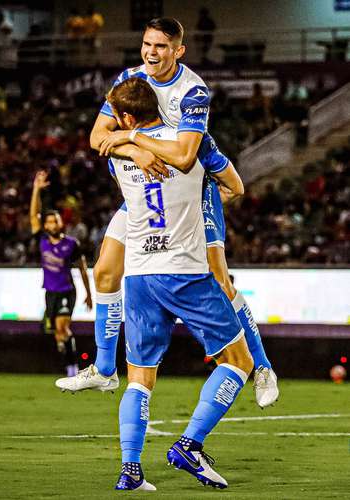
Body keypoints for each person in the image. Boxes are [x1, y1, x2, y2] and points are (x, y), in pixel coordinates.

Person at [59, 17, 278, 408]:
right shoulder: (129, 78)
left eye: (160, 47)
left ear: (178, 50)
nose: (151, 53)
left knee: (220, 281)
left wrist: (129, 138)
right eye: (146, 44)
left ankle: (261, 366)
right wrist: (137, 150)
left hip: (195, 187)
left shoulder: (193, 91)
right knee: (106, 270)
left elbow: (185, 154)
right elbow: (97, 137)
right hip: (147, 183)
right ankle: (105, 370)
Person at [99, 76, 253, 491]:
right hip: (184, 270)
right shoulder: (194, 142)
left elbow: (109, 139)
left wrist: (128, 141)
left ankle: (130, 471)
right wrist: (196, 196)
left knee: (139, 376)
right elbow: (235, 187)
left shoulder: (117, 152)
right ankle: (189, 444)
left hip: (140, 275)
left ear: (127, 116)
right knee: (239, 362)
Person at [30, 170, 94, 376]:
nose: (51, 224)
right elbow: (33, 215)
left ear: (61, 223)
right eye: (48, 221)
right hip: (50, 292)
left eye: (55, 220)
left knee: (63, 328)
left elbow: (83, 269)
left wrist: (89, 293)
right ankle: (66, 352)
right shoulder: (42, 239)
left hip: (67, 290)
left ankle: (72, 368)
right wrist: (36, 189)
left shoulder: (71, 244)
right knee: (57, 333)